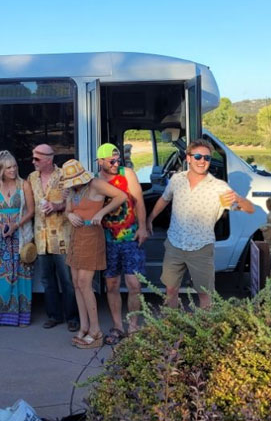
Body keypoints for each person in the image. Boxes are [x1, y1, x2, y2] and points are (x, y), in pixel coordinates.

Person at [146, 139, 255, 310]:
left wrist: (239, 199)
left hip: (201, 247)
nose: (202, 161)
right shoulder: (177, 180)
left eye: (207, 158)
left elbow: (250, 209)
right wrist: (149, 219)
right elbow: (164, 199)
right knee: (170, 289)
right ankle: (171, 327)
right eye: (197, 156)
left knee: (204, 294)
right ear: (188, 158)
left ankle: (205, 331)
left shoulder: (218, 187)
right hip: (175, 244)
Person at [62, 159, 125, 349]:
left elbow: (120, 196)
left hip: (91, 236)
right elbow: (67, 210)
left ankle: (96, 331)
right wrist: (69, 215)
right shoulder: (72, 190)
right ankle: (84, 326)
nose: (74, 184)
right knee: (75, 283)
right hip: (76, 236)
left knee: (84, 283)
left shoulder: (95, 184)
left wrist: (102, 213)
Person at [95, 143, 148, 344]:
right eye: (111, 161)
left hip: (131, 237)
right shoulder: (96, 180)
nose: (116, 164)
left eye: (118, 160)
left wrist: (142, 227)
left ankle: (133, 327)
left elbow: (139, 201)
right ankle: (117, 326)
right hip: (107, 240)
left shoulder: (128, 174)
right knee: (112, 284)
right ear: (100, 161)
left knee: (134, 284)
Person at [27, 144, 79, 332]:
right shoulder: (32, 178)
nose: (33, 162)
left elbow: (74, 200)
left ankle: (72, 317)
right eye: (33, 158)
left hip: (62, 236)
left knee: (67, 280)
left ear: (49, 159)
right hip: (41, 237)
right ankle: (54, 316)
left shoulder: (64, 176)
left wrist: (56, 206)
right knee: (47, 280)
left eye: (37, 159)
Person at [0, 150, 35, 327]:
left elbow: (31, 211)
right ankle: (2, 316)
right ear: (1, 168)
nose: (13, 170)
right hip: (4, 238)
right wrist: (2, 227)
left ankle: (22, 317)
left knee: (22, 277)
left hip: (21, 236)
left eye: (14, 166)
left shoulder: (24, 185)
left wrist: (16, 225)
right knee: (1, 277)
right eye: (9, 167)